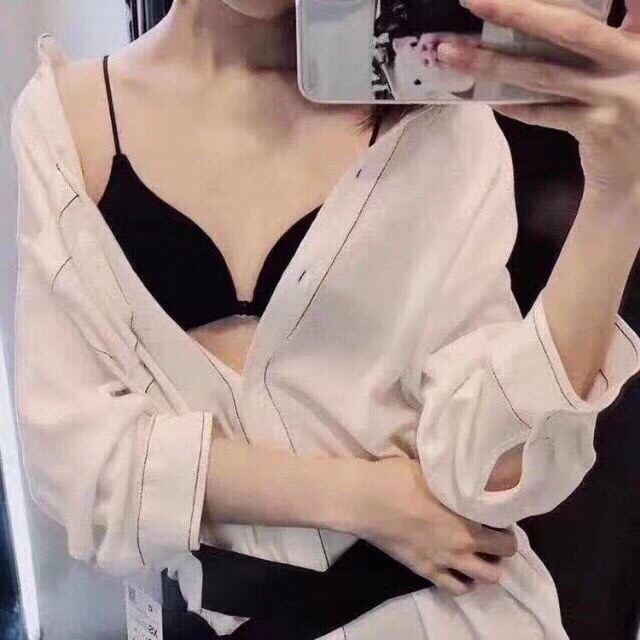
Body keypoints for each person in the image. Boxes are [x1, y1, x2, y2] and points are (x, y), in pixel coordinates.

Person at [9, 0, 640, 638]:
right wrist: (368, 500)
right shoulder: (64, 124)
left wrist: (619, 198)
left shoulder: (434, 118)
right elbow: (74, 457)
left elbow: (487, 471)